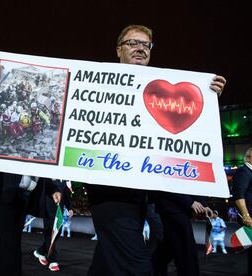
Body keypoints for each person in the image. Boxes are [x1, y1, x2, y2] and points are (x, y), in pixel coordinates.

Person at [85, 24, 226, 276]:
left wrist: (209, 96)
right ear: (118, 50)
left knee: (108, 260)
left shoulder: (160, 93)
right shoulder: (95, 86)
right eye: (132, 43)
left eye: (146, 45)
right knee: (136, 265)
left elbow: (188, 136)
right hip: (109, 190)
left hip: (140, 195)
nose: (140, 48)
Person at [32, 179, 72, 272]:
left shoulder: (64, 178)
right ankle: (53, 260)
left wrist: (69, 207)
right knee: (50, 231)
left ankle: (41, 251)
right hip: (48, 206)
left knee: (57, 232)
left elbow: (66, 193)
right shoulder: (49, 176)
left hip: (59, 210)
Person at [232, 147, 252, 274]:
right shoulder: (244, 171)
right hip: (249, 217)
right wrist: (246, 215)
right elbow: (239, 195)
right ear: (250, 157)